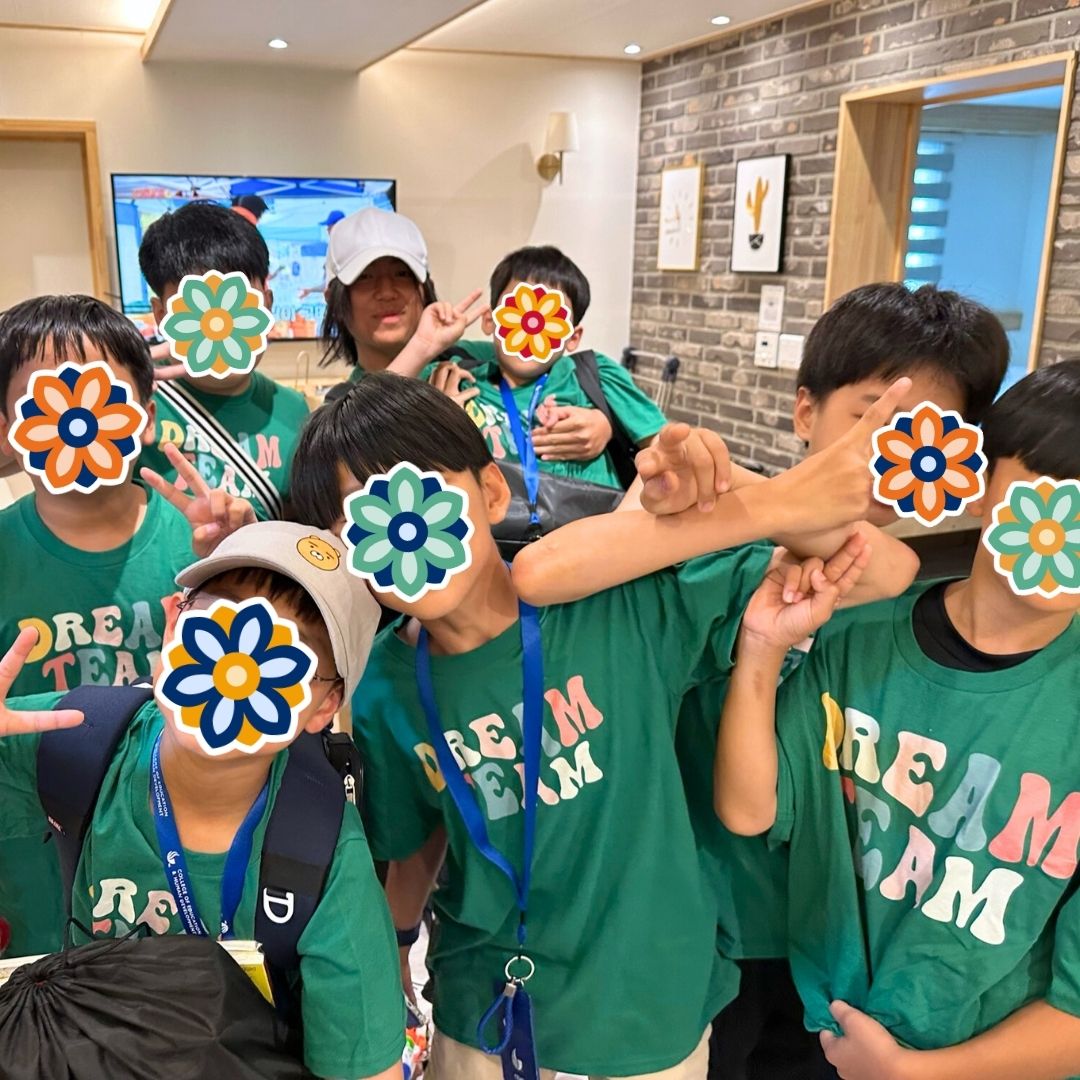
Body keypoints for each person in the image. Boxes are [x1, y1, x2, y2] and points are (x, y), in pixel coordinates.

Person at [285, 370, 908, 1078]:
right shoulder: (384, 688)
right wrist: (395, 949)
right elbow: (421, 834)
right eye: (364, 523)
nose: (408, 534)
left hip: (640, 1008)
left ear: (492, 492)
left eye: (422, 496)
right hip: (479, 1007)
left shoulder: (616, 604)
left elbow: (887, 573)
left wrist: (751, 496)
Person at [512, 282, 1010, 1080]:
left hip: (858, 942)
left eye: (932, 432)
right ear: (805, 411)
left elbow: (890, 565)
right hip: (709, 929)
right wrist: (751, 499)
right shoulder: (729, 554)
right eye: (874, 418)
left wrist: (756, 487)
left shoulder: (926, 590)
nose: (898, 449)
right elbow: (541, 575)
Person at [713, 359, 1080, 1080]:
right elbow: (751, 808)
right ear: (980, 486)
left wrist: (917, 1073)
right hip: (819, 1031)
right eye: (1048, 491)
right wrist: (762, 649)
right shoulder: (859, 639)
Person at [0, 520, 405, 1080]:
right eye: (217, 621)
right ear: (173, 627)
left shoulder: (323, 855)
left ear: (325, 706)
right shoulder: (78, 740)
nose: (235, 664)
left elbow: (364, 1069)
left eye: (284, 656)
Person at [0, 294, 253, 957]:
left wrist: (245, 565)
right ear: (9, 427)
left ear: (143, 417)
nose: (76, 417)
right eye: (48, 399)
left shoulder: (202, 543)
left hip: (185, 852)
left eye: (98, 394)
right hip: (37, 866)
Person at [318, 209, 611, 465]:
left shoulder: (474, 360)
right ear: (335, 299)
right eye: (365, 278)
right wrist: (422, 351)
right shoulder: (341, 407)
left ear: (424, 287)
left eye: (402, 274)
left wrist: (603, 423)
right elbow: (334, 460)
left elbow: (564, 374)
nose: (386, 291)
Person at [421, 244, 667, 486]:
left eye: (550, 319)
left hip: (594, 520)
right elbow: (384, 416)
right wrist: (438, 419)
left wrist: (608, 426)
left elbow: (663, 447)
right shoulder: (454, 375)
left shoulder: (594, 375)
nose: (532, 325)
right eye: (517, 312)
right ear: (490, 320)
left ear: (573, 337)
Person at [137, 201, 310, 520]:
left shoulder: (295, 411)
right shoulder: (133, 402)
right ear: (162, 315)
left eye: (238, 305)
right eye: (198, 307)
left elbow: (301, 527)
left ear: (267, 306)